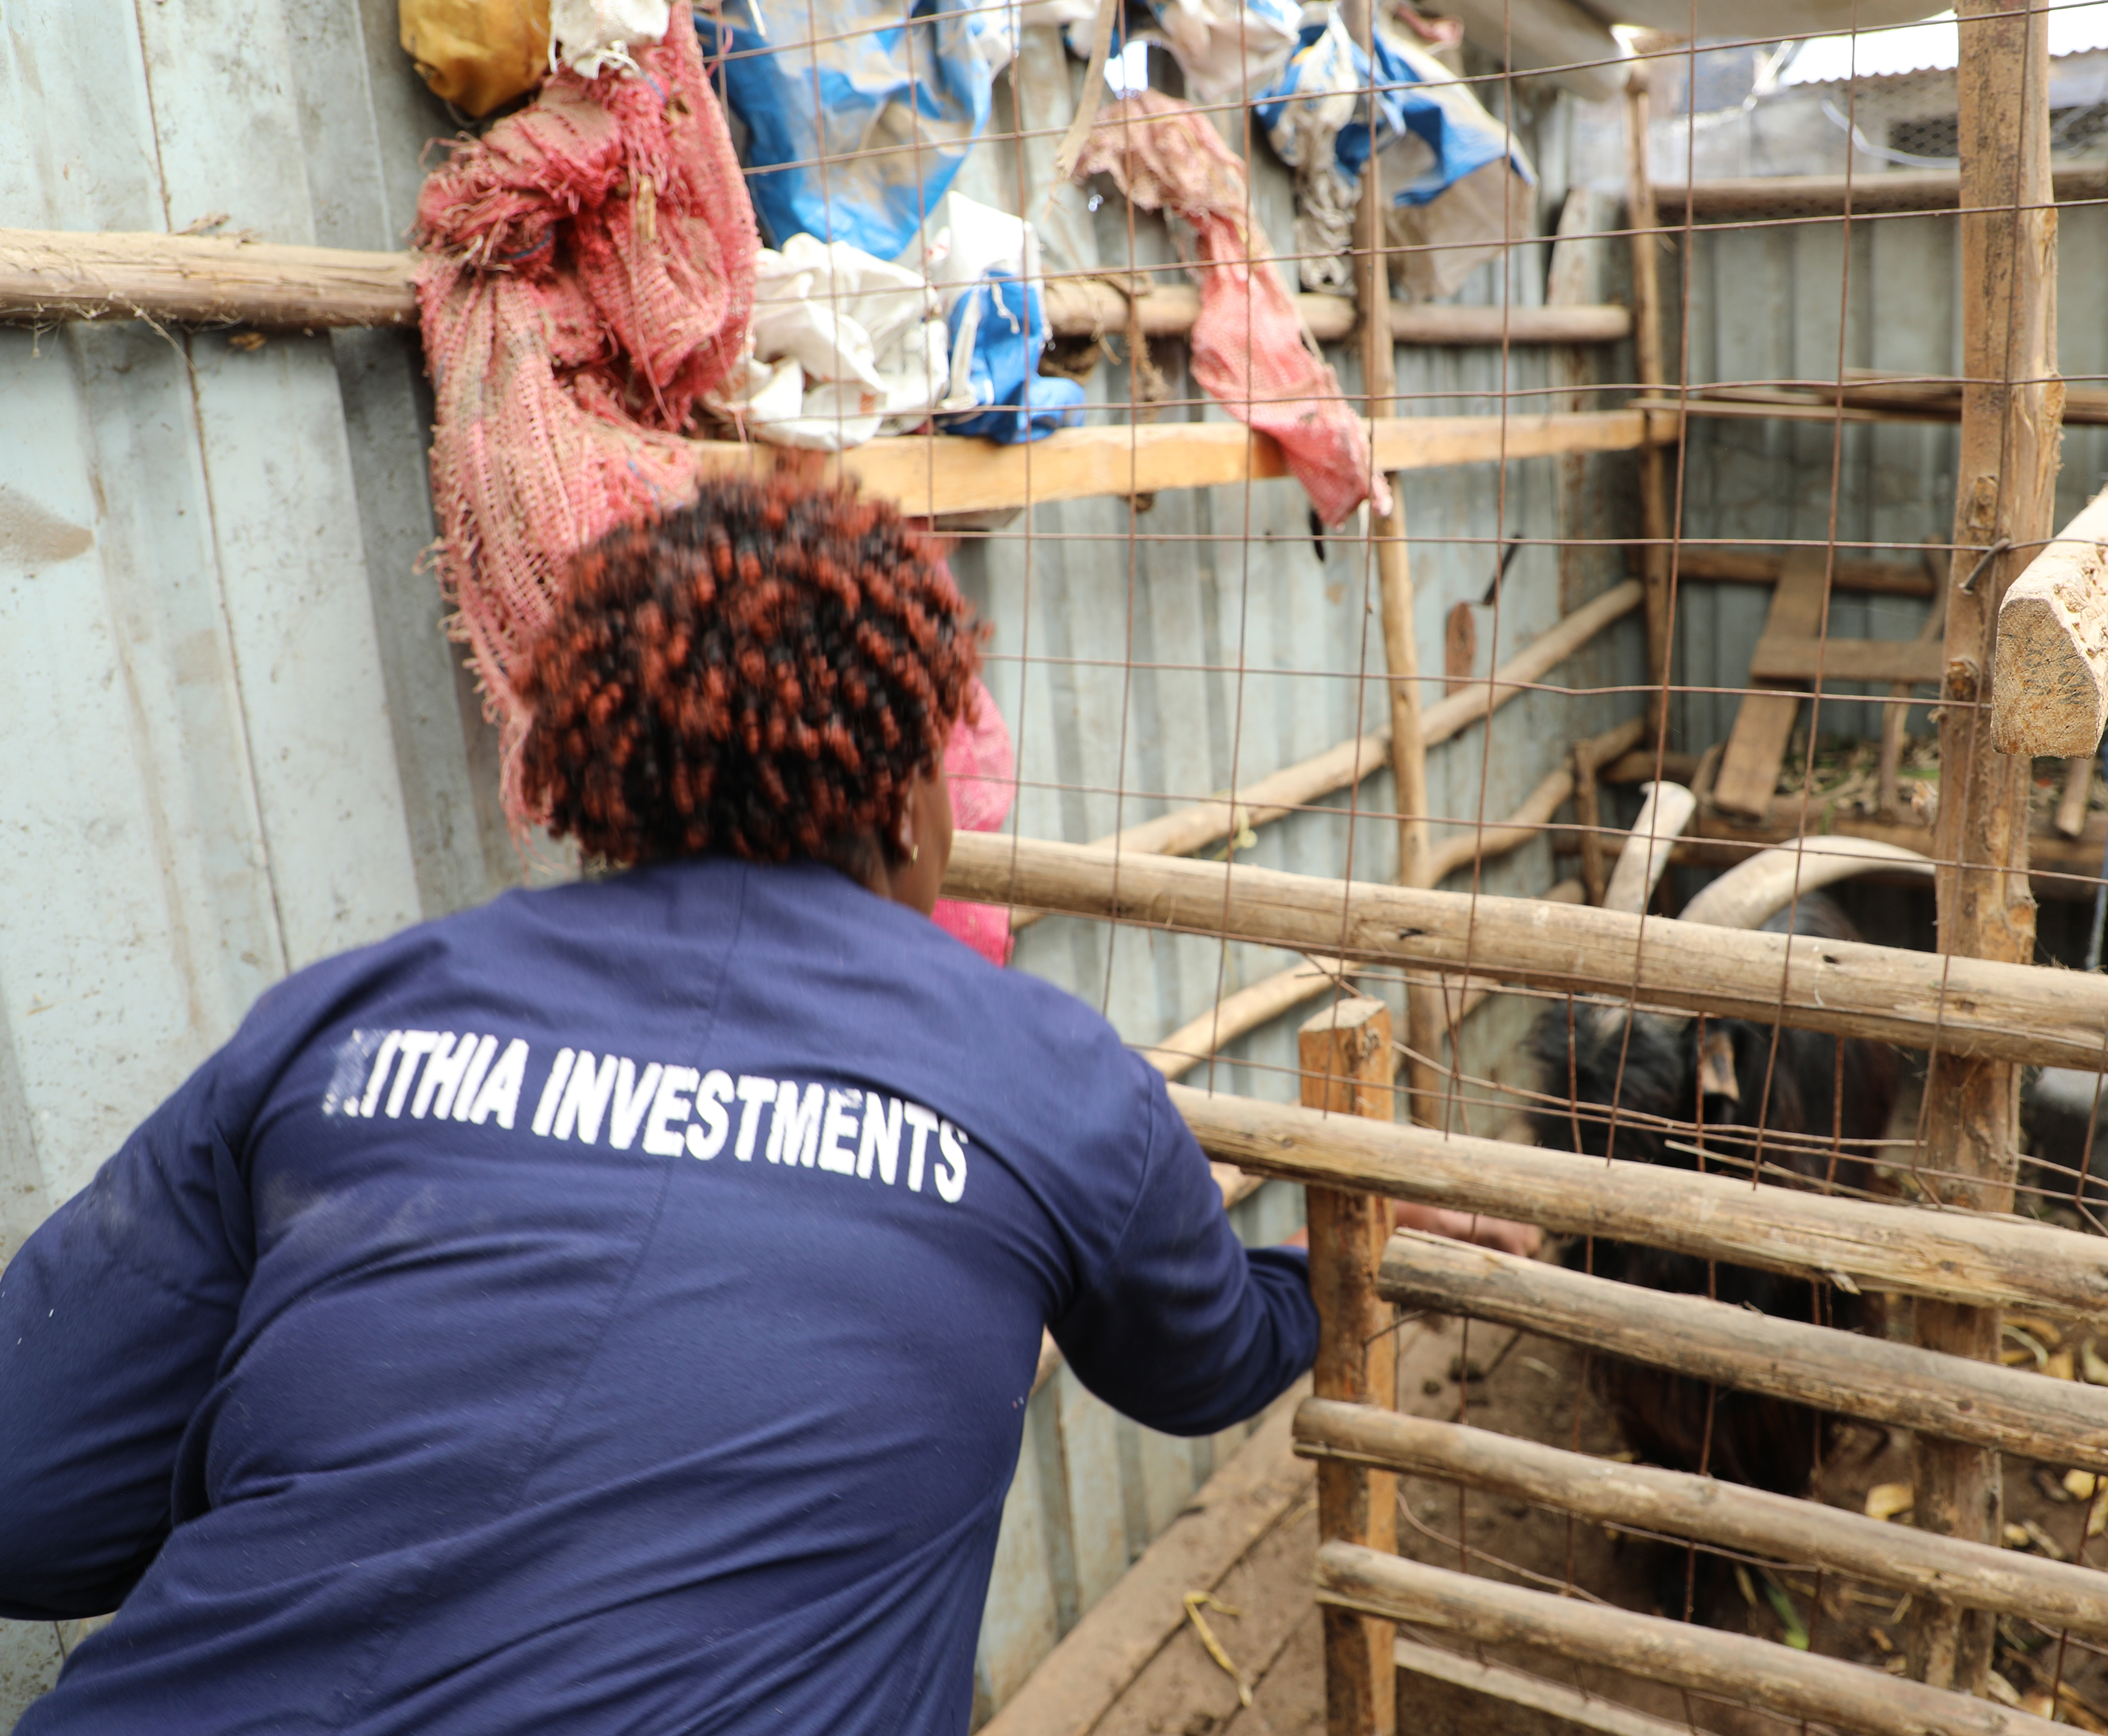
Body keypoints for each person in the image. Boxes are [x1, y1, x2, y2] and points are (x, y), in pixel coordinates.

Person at [0, 477, 1319, 1734]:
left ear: (599, 773)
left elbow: (29, 1497)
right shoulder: (1050, 1072)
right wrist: (1328, 1277)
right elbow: (1206, 1364)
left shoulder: (348, 1018)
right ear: (916, 804)